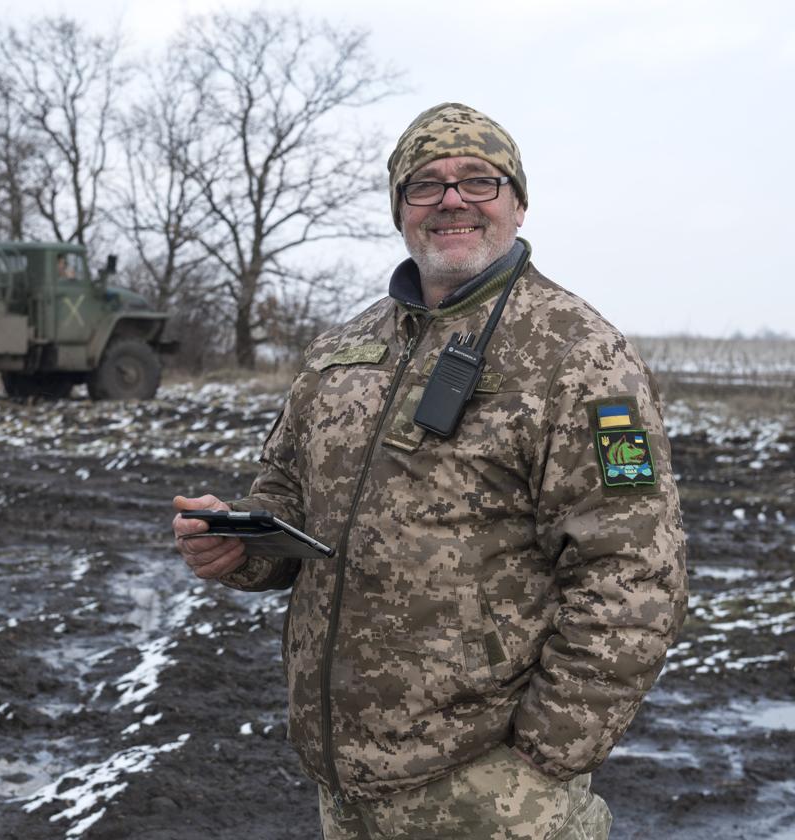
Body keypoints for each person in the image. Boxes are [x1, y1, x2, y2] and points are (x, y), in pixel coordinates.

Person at [171, 102, 687, 839]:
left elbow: (635, 575)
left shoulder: (579, 355)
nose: (451, 199)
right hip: (345, 786)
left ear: (516, 201)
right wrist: (236, 547)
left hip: (493, 794)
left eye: (478, 180)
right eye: (426, 184)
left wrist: (540, 760)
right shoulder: (342, 351)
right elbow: (286, 500)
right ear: (399, 210)